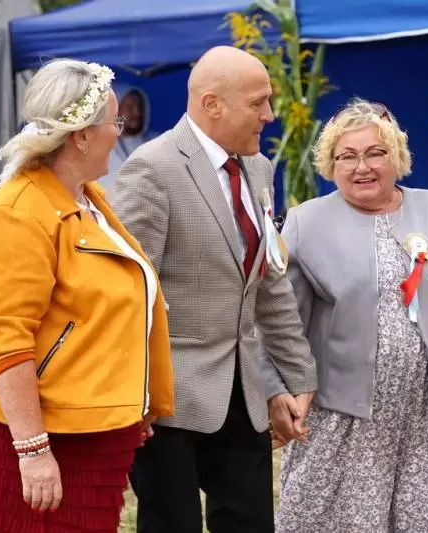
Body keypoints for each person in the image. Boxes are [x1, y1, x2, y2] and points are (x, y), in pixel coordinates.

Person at [0, 58, 174, 533]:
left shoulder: (85, 199)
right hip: (31, 436)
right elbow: (6, 340)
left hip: (85, 432)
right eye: (115, 123)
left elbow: (103, 311)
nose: (120, 133)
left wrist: (131, 398)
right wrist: (32, 449)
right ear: (82, 136)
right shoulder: (17, 212)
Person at [263, 98, 428, 533]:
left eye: (376, 153)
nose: (362, 167)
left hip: (425, 415)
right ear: (331, 164)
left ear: (398, 157)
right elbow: (276, 319)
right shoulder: (304, 222)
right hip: (340, 415)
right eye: (347, 157)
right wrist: (276, 392)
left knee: (417, 522)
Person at [111, 45, 318, 533]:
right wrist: (134, 397)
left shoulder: (258, 168)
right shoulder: (151, 169)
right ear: (212, 104)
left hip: (244, 394)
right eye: (258, 103)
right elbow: (127, 296)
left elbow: (269, 282)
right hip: (168, 403)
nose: (269, 115)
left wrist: (297, 376)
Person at [99, 85, 159, 199]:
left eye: (139, 106)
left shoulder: (156, 144)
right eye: (129, 107)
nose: (137, 112)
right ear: (115, 109)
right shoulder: (100, 149)